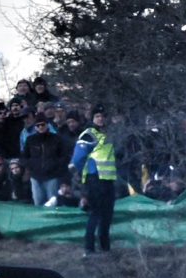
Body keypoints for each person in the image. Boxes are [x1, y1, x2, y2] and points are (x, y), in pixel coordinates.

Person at [70, 104, 119, 257]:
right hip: (94, 180)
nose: (100, 119)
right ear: (92, 118)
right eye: (97, 116)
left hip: (108, 180)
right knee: (95, 214)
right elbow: (77, 159)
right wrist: (86, 173)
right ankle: (89, 249)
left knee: (107, 216)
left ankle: (105, 248)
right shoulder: (88, 134)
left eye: (103, 116)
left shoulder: (109, 134)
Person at [22, 113, 69, 205]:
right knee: (38, 203)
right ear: (35, 127)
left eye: (42, 124)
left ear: (47, 125)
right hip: (35, 177)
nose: (40, 127)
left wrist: (55, 167)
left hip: (52, 176)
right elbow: (25, 156)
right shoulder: (30, 140)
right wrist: (31, 167)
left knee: (52, 204)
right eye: (38, 125)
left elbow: (63, 156)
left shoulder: (57, 139)